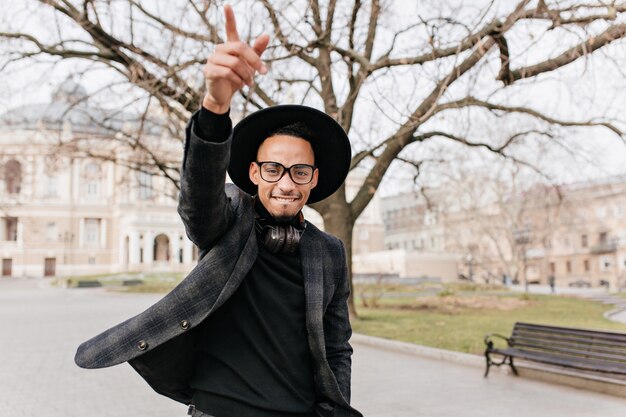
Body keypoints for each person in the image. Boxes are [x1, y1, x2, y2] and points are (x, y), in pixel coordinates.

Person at [74, 5, 362, 417]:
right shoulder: (228, 220)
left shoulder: (329, 252)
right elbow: (199, 196)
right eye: (273, 169)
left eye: (299, 172)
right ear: (253, 173)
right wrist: (214, 107)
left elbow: (337, 347)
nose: (285, 184)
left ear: (313, 179)